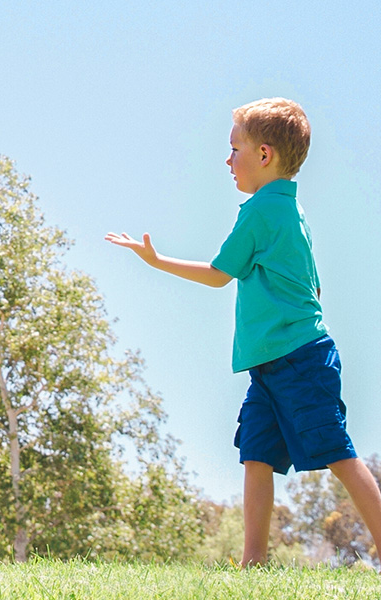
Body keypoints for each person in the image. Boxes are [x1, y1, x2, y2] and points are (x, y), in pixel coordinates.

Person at [107, 98, 381, 566]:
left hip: (299, 361)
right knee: (256, 453)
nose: (227, 159)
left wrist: (155, 261)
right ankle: (252, 563)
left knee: (337, 452)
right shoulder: (292, 214)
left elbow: (218, 274)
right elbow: (314, 283)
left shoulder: (259, 212)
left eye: (234, 148)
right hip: (274, 365)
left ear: (264, 155)